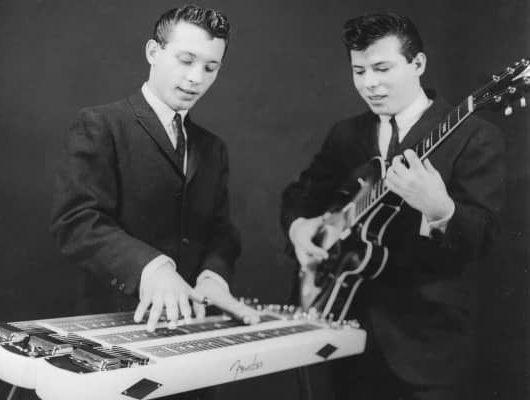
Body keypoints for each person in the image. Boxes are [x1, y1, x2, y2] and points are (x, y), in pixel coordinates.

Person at [280, 13, 504, 400]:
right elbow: (300, 196)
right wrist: (299, 227)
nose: (369, 83)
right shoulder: (347, 134)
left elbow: (484, 239)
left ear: (418, 64)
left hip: (428, 351)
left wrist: (441, 211)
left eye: (382, 68)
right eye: (359, 71)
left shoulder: (474, 137)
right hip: (345, 336)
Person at [51, 4, 258, 338]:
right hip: (113, 328)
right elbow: (77, 221)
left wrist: (213, 277)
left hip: (192, 326)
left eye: (211, 67)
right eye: (186, 60)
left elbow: (221, 233)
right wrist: (152, 267)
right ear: (153, 52)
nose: (196, 78)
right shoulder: (101, 124)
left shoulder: (213, 148)